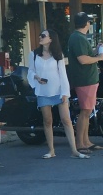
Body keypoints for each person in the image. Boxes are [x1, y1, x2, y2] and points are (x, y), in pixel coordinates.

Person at [27, 29, 88, 159]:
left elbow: (63, 75)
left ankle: (74, 150)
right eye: (40, 35)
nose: (40, 37)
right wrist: (36, 77)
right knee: (47, 120)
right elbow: (30, 71)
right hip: (43, 91)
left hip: (58, 90)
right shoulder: (33, 54)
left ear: (51, 39)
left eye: (43, 35)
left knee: (66, 119)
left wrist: (65, 92)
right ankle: (51, 150)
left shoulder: (58, 54)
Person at [66, 12, 103, 153]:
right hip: (85, 80)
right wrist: (99, 57)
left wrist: (95, 50)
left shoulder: (77, 38)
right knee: (85, 111)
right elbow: (83, 59)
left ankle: (86, 141)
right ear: (87, 23)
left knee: (88, 112)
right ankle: (80, 143)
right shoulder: (78, 38)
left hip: (88, 79)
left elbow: (84, 55)